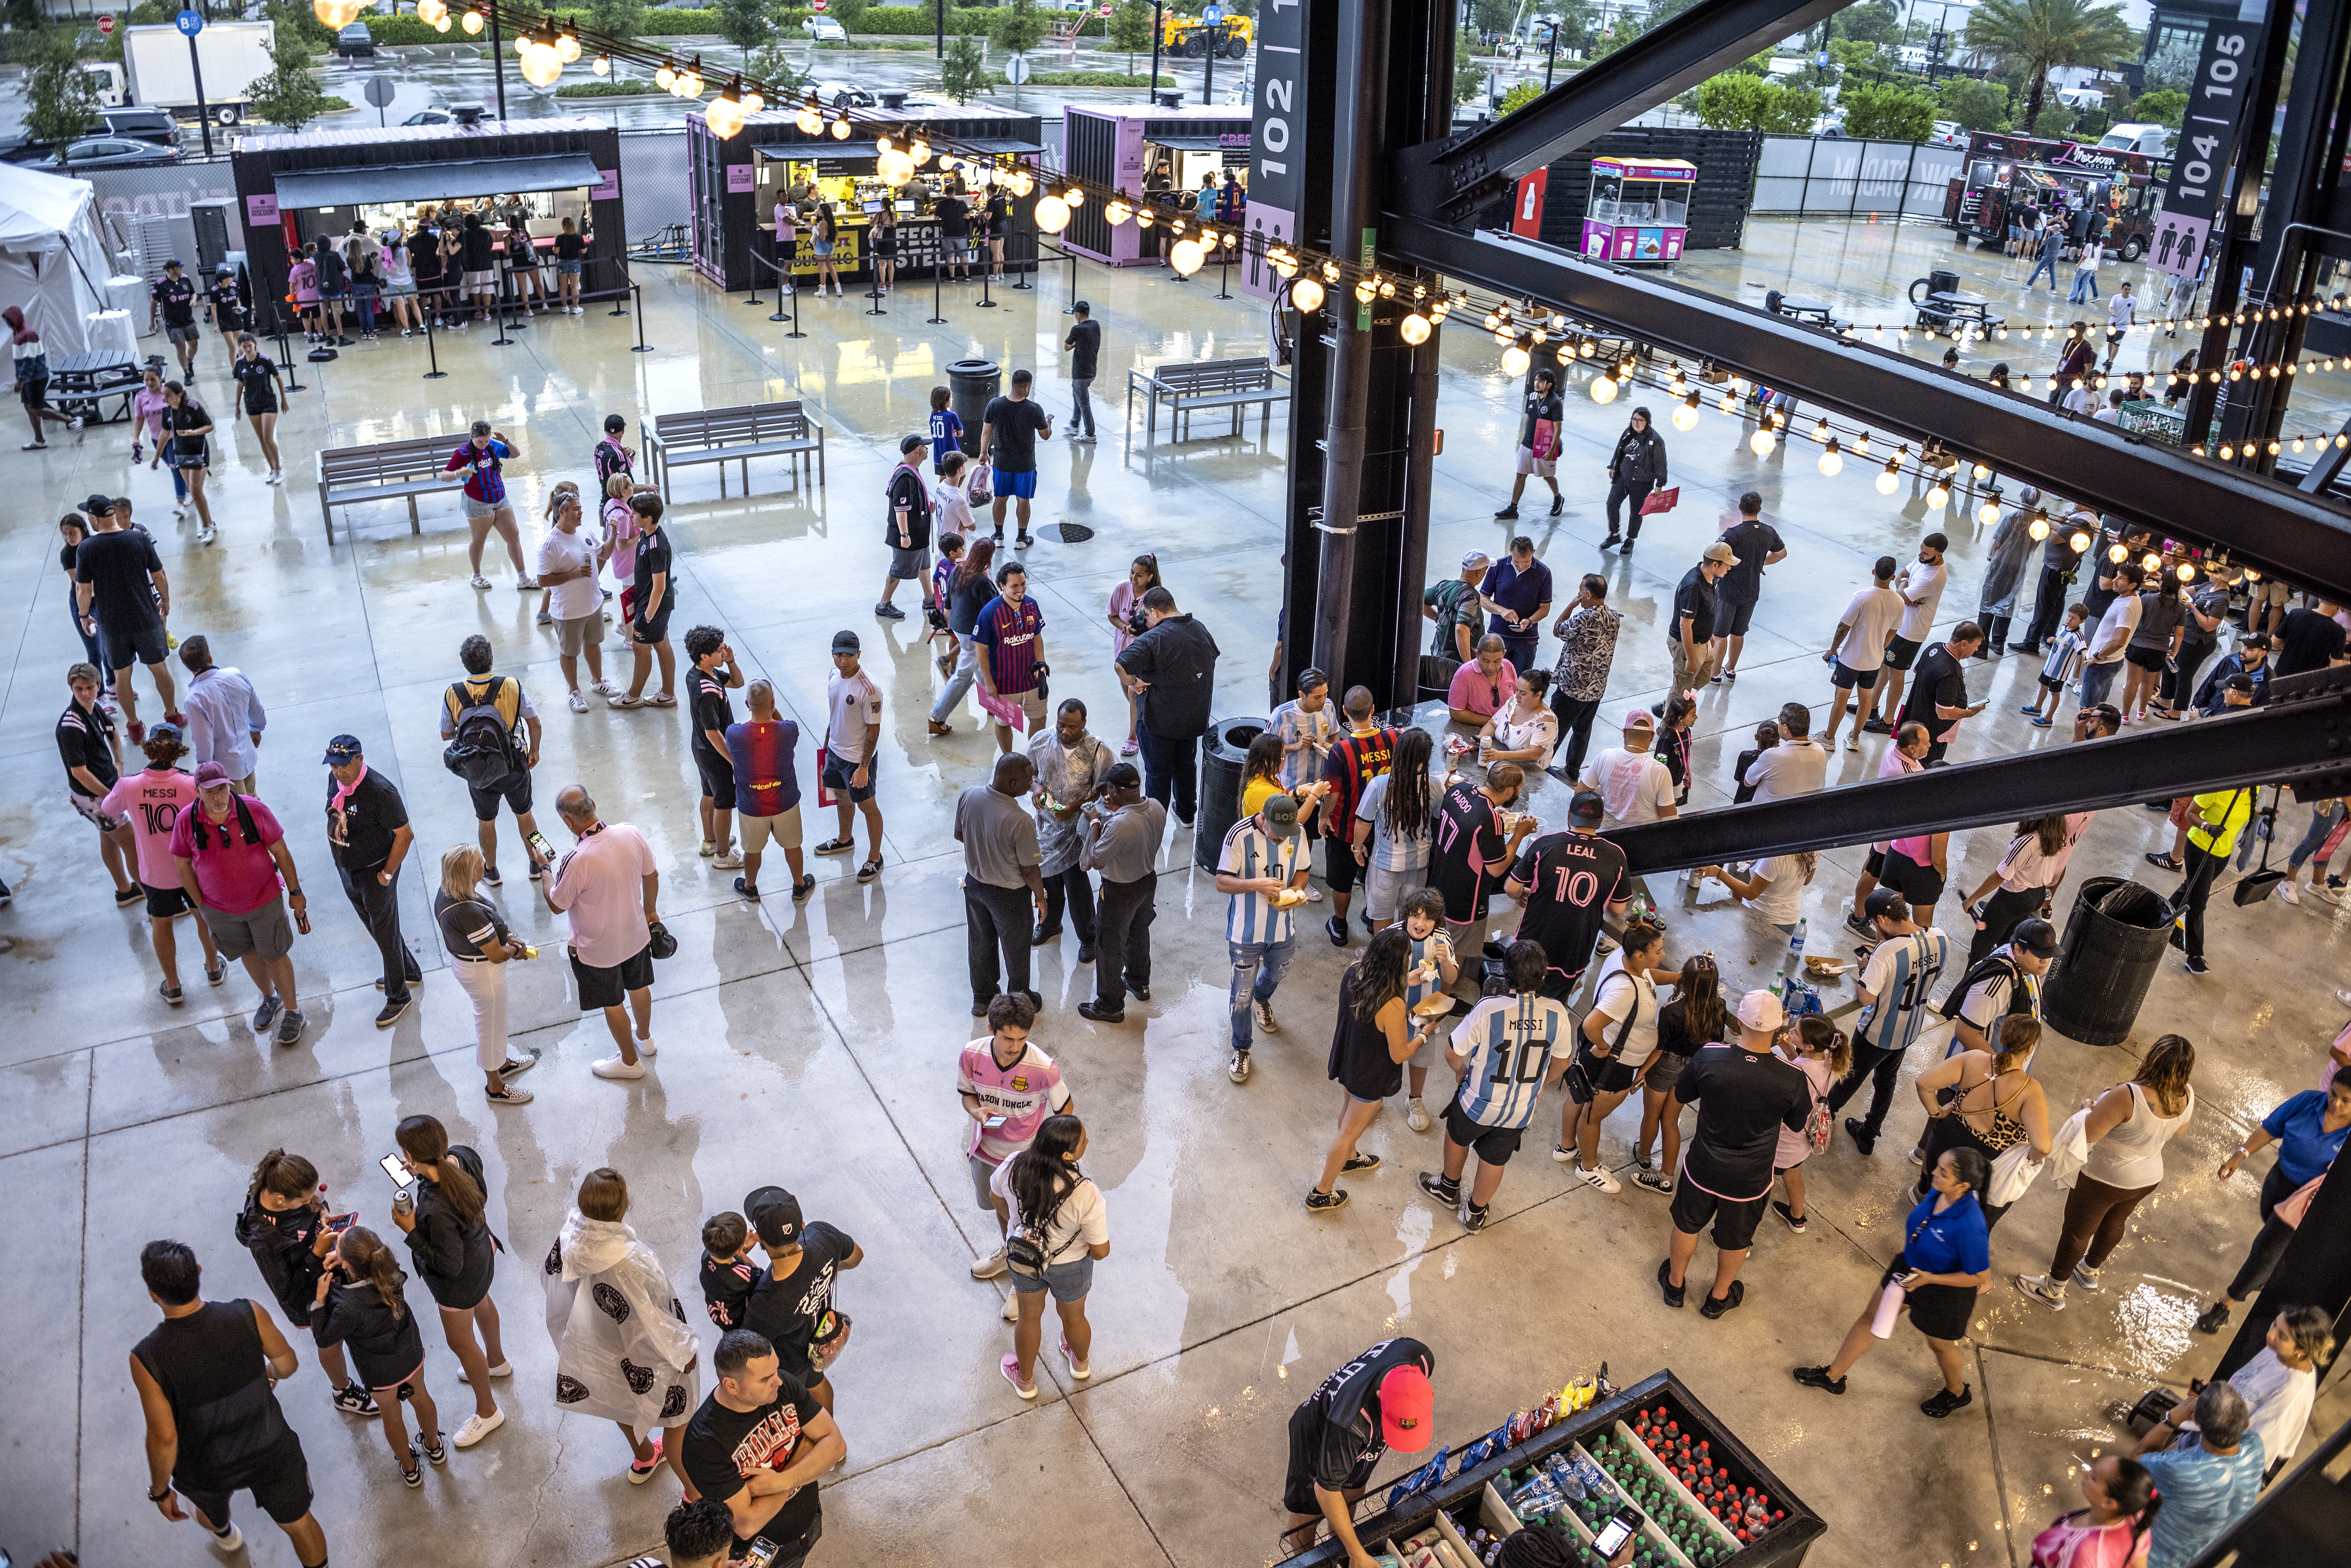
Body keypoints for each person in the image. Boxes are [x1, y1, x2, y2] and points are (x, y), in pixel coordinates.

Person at [132, 1240, 330, 1566]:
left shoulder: (147, 1357)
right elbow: (288, 1365)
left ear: (154, 1294)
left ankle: (225, 1534)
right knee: (299, 1524)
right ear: (197, 1272)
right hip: (270, 1445)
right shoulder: (248, 1313)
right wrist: (268, 1373)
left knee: (207, 1510)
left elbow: (164, 1436)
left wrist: (161, 1490)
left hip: (205, 1464)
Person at [1791, 1147, 1993, 1416]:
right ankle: (1833, 1376)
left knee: (1940, 1345)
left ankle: (1957, 1392)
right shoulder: (1939, 1192)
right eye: (1938, 1166)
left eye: (1943, 1172)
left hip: (1944, 1292)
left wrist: (1930, 1278)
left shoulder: (1971, 1224)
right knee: (1872, 1318)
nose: (1933, 1172)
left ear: (1963, 1186)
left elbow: (1980, 1277)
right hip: (1908, 1269)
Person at [545, 1166, 702, 1491]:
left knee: (620, 1397)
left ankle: (645, 1455)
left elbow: (553, 1287)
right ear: (624, 1205)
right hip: (647, 1349)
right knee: (678, 1420)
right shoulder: (633, 1261)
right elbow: (654, 1317)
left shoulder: (568, 1237)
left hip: (599, 1343)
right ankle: (694, 1492)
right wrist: (681, 1352)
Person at [1658, 990, 1813, 1318]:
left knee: (1687, 1225)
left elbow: (1683, 1092)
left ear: (1739, 1022)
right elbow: (1797, 1124)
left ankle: (1675, 1285)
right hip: (1751, 1178)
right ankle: (1718, 1297)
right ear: (1779, 1029)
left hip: (1703, 1165)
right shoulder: (1792, 1077)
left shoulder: (1709, 1056)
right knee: (1735, 1240)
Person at [2015, 1034, 2198, 1308]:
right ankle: (2089, 1271)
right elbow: (2180, 1129)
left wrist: (2091, 1107)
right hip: (2148, 1177)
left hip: (2106, 1177)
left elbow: (2090, 1132)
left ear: (2154, 1058)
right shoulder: (2187, 1094)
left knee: (2077, 1232)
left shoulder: (2128, 1095)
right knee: (2115, 1222)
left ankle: (2053, 1290)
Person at [1417, 940, 1575, 1230]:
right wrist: (1538, 1087)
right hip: (1519, 1111)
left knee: (1457, 1135)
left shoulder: (1489, 1008)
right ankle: (1476, 1212)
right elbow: (1562, 1064)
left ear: (1504, 974)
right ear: (1543, 977)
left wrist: (1461, 1072)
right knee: (1495, 1159)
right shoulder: (1558, 1013)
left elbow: (1453, 1052)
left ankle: (1448, 1189)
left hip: (1478, 1102)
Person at [2192, 1069, 2351, 1337]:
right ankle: (2268, 1275)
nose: (2336, 1104)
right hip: (2279, 1181)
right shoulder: (2308, 1101)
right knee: (2272, 1238)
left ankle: (2226, 1304)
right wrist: (2240, 1155)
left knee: (2266, 1249)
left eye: (2347, 1101)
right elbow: (2271, 1128)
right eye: (2334, 1094)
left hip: (2310, 1202)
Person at [680, 1329, 846, 1565]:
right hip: (760, 1552)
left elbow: (836, 1444)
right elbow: (746, 1524)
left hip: (810, 1520)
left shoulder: (782, 1386)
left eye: (776, 1370)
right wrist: (809, 1449)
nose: (778, 1380)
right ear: (732, 1385)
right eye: (765, 1379)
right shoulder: (705, 1444)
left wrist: (781, 1481)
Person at [173, 762, 309, 1046]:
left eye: (222, 788)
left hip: (264, 901)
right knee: (248, 952)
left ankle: (294, 1012)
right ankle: (270, 999)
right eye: (210, 791)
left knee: (274, 954)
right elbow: (183, 863)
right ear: (197, 791)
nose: (218, 796)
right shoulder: (187, 820)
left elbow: (280, 850)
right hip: (220, 910)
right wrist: (201, 904)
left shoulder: (253, 810)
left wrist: (295, 891)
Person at [234, 1151, 380, 1418]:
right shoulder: (263, 1241)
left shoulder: (280, 1185)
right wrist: (316, 1253)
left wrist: (322, 1213)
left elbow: (315, 1201)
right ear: (281, 1199)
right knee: (331, 1341)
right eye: (303, 1199)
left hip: (328, 1270)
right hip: (309, 1294)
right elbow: (286, 1290)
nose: (309, 1201)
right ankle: (343, 1392)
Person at [390, 1116, 505, 1448]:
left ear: (410, 1155)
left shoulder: (433, 1208)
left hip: (459, 1282)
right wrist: (419, 1171)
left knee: (462, 1343)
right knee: (483, 1302)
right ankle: (495, 1360)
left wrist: (411, 1229)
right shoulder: (462, 1155)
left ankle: (488, 1410)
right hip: (483, 1252)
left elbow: (448, 1265)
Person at [534, 784, 661, 1081]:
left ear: (568, 821)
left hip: (597, 949)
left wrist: (544, 868)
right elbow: (652, 875)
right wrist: (649, 912)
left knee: (612, 1002)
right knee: (639, 986)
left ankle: (629, 1063)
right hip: (636, 934)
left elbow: (556, 904)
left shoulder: (577, 859)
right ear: (592, 803)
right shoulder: (630, 833)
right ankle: (645, 1039)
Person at [1312, 928, 1443, 1212]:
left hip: (1347, 1058)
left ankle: (1349, 1158)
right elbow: (1399, 1054)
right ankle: (1322, 1191)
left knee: (1347, 1112)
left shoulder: (1354, 970)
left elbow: (1379, 982)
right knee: (1348, 1131)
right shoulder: (1393, 1004)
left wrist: (1410, 981)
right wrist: (1424, 1033)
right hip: (1369, 1074)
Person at [1278, 1339, 1436, 1566]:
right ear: (1381, 1396)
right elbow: (1325, 1491)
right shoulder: (1349, 1421)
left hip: (1362, 1430)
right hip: (1316, 1435)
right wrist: (1358, 1554)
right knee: (1309, 1511)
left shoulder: (1420, 1356)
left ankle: (1340, 1544)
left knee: (1353, 1490)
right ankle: (1307, 1561)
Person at [960, 993, 1078, 1293]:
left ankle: (1023, 1281)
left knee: (1026, 1220)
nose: (1015, 1047)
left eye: (1022, 1039)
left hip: (1024, 1160)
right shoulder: (972, 1055)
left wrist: (1047, 1154)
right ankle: (1008, 1254)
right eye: (1007, 1039)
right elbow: (967, 1094)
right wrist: (977, 1111)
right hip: (986, 1153)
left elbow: (1065, 1109)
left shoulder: (1044, 1068)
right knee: (1002, 1211)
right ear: (991, 1029)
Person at [313, 1224, 444, 1486]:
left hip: (379, 1370)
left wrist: (319, 1301)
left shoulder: (346, 1305)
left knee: (391, 1415)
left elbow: (325, 1337)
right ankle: (434, 1447)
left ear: (347, 1265)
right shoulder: (391, 1271)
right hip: (409, 1353)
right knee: (422, 1398)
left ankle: (410, 1469)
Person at [103, 725, 225, 1001]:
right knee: (202, 917)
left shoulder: (129, 785)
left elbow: (109, 810)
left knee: (161, 924)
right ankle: (214, 968)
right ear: (178, 753)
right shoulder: (191, 784)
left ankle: (173, 986)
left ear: (150, 748)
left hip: (155, 874)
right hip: (193, 870)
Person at [995, 1113, 1111, 1395]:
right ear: (1067, 1154)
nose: (1088, 1140)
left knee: (1029, 1318)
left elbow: (996, 1198)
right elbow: (1101, 1251)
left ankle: (1024, 1381)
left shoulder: (1013, 1166)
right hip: (1071, 1266)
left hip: (1024, 1260)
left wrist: (1011, 1232)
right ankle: (1080, 1364)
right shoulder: (1085, 1193)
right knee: (1074, 1319)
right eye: (1083, 1140)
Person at [1557, 919, 1671, 1193]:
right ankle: (1588, 1167)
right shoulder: (1624, 991)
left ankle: (1566, 1147)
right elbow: (1591, 1024)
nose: (1664, 955)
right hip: (1613, 1064)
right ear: (1641, 955)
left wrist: (1680, 977)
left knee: (1580, 1097)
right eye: (1659, 952)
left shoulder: (1623, 959)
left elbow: (1651, 976)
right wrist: (1605, 1047)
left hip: (1597, 1058)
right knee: (1593, 1116)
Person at [1830, 892, 1949, 1155]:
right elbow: (1935, 976)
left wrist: (1865, 968)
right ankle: (1869, 1134)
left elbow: (1866, 997)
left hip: (1878, 1031)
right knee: (1886, 1081)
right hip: (1909, 1028)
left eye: (1874, 923)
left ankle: (1823, 1117)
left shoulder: (1886, 953)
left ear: (1882, 919)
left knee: (1849, 1077)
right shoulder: (1941, 937)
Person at [320, 734, 421, 1027]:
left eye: (344, 766)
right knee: (379, 927)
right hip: (349, 869)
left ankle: (398, 996)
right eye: (334, 766)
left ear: (360, 760)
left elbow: (405, 836)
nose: (338, 772)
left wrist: (386, 875)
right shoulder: (335, 781)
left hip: (376, 871)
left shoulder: (380, 792)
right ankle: (408, 971)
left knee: (385, 933)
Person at [734, 1186, 862, 1416]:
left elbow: (743, 1355)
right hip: (817, 1342)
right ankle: (831, 1439)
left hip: (789, 1366)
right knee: (818, 1386)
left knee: (801, 1411)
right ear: (802, 1225)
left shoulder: (766, 1302)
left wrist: (740, 1257)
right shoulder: (821, 1235)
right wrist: (830, 1269)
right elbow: (855, 1257)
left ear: (761, 1239)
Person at [1216, 790, 1312, 1083]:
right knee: (1240, 996)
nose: (1283, 839)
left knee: (1277, 973)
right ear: (1264, 818)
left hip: (1284, 930)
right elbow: (1221, 882)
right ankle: (1242, 1048)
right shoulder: (1239, 836)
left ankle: (1264, 997)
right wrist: (1255, 884)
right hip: (1245, 935)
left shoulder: (1298, 833)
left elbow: (1304, 871)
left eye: (1287, 833)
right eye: (1277, 832)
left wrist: (1295, 893)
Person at [433, 843, 539, 1105]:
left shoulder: (450, 892)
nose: (485, 864)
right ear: (469, 873)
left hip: (473, 967)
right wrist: (515, 950)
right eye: (480, 862)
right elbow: (495, 954)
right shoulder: (467, 911)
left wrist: (509, 937)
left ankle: (502, 1063)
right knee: (490, 1027)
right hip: (483, 973)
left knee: (495, 1021)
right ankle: (496, 1087)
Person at [1506, 788, 1630, 1004]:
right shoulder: (1615, 855)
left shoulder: (1545, 844)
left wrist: (1524, 893)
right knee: (1554, 1004)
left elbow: (1510, 888)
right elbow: (1619, 909)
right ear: (1601, 820)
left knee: (1518, 997)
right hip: (1574, 949)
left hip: (1533, 940)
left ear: (1568, 815)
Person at [441, 634, 543, 885]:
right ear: (491, 660)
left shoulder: (453, 693)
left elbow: (446, 734)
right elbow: (534, 722)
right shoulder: (512, 685)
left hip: (478, 770)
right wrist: (535, 751)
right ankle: (542, 860)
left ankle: (491, 870)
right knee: (526, 814)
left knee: (486, 821)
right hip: (514, 765)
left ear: (466, 665)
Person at [75, 496, 178, 740]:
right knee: (159, 668)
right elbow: (159, 573)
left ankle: (133, 726)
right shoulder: (138, 538)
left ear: (93, 518)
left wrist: (84, 615)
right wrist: (165, 599)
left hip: (113, 624)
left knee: (122, 674)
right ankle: (172, 714)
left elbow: (83, 588)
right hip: (146, 617)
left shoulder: (87, 548)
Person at [1117, 585, 1221, 827]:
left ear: (1154, 612)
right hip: (1193, 720)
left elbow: (1121, 665)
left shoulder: (1154, 638)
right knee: (1186, 768)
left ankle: (1156, 822)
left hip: (1158, 723)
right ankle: (1186, 815)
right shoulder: (1200, 630)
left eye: (1146, 615)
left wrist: (1134, 683)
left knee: (1157, 774)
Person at [2133, 1382, 2264, 1568]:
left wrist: (2172, 1419)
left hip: (2154, 1560)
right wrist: (2212, 1407)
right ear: (2246, 1425)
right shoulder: (2255, 1444)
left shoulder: (2183, 1469)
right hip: (2202, 1556)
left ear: (2195, 1419)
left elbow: (2137, 1462)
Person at [1076, 763, 1165, 1024]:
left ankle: (1110, 1005)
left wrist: (1095, 822)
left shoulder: (1120, 825)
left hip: (1119, 891)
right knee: (1139, 933)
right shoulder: (1156, 807)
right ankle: (1139, 982)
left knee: (1108, 946)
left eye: (1108, 789)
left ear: (1114, 791)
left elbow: (1095, 860)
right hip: (1147, 881)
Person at [1030, 698, 1114, 956]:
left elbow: (1106, 794)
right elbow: (1029, 776)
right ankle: (1050, 924)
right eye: (1061, 725)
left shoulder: (1098, 751)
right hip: (1046, 827)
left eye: (1073, 728)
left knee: (1076, 885)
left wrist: (1075, 807)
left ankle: (1088, 936)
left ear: (1084, 724)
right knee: (1049, 881)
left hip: (1076, 831)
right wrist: (1037, 789)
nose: (1066, 732)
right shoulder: (1041, 741)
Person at [59, 660, 142, 907]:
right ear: (72, 690)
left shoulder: (94, 709)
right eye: (78, 689)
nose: (85, 694)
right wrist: (113, 797)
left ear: (98, 686)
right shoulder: (71, 726)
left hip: (102, 791)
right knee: (132, 844)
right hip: (95, 796)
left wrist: (119, 764)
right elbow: (79, 773)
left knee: (109, 837)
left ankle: (125, 891)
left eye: (89, 688)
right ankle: (154, 901)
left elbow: (113, 734)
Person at [1316, 686, 1396, 944]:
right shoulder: (1395, 738)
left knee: (1342, 880)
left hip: (1346, 829)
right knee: (1377, 875)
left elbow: (1333, 794)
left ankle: (1339, 925)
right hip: (1383, 827)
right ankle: (1375, 918)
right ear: (1373, 710)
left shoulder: (1341, 750)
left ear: (1344, 713)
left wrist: (1323, 817)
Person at [725, 680, 813, 904]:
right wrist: (772, 709)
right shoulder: (789, 730)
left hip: (752, 807)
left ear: (747, 703)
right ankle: (799, 886)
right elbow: (785, 729)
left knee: (752, 851)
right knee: (793, 846)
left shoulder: (735, 734)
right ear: (773, 702)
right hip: (786, 802)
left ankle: (750, 887)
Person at [537, 488, 615, 711]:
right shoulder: (550, 544)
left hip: (592, 604)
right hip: (568, 610)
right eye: (575, 509)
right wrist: (573, 574)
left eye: (581, 508)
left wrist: (613, 535)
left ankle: (598, 681)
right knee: (570, 652)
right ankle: (574, 691)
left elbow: (603, 554)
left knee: (594, 644)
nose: (580, 513)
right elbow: (543, 580)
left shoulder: (585, 532)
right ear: (561, 512)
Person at [818, 630, 886, 882]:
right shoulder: (833, 675)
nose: (843, 661)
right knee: (841, 797)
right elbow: (835, 710)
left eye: (849, 655)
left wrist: (864, 767)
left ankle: (875, 858)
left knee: (868, 806)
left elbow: (874, 731)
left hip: (857, 760)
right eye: (838, 655)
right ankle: (844, 839)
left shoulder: (869, 689)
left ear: (859, 654)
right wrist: (828, 740)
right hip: (835, 752)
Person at [1350, 727, 1435, 932]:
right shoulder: (1434, 786)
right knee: (1409, 916)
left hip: (1385, 865)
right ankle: (1403, 952)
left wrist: (1357, 847)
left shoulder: (1379, 785)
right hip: (1419, 866)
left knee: (1382, 916)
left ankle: (1384, 957)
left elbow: (1363, 822)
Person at [2164, 787, 2254, 976]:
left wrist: (2262, 815)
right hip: (2200, 849)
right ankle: (2194, 956)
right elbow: (2190, 814)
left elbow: (2239, 814)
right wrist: (2208, 827)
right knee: (2198, 903)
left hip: (2223, 854)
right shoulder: (2220, 788)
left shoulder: (2254, 789)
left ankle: (2161, 917)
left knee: (2191, 888)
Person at [681, 626, 747, 868]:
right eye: (719, 651)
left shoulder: (700, 673)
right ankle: (723, 855)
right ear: (704, 657)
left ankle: (711, 841)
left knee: (708, 794)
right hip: (715, 753)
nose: (723, 653)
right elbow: (713, 732)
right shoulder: (707, 691)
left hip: (700, 750)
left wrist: (730, 661)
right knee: (724, 804)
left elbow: (738, 683)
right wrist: (733, 760)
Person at [1870, 535, 1950, 733]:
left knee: (1897, 674)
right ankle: (1871, 708)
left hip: (1911, 632)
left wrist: (1904, 593)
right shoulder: (1922, 559)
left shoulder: (1933, 577)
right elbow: (1900, 578)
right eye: (1921, 550)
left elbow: (1898, 598)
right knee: (1884, 666)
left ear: (1939, 554)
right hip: (1900, 625)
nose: (1920, 555)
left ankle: (1888, 722)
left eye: (1926, 553)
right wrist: (1905, 587)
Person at [1822, 555, 1903, 750]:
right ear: (1893, 577)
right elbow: (1893, 632)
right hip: (1874, 661)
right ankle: (1855, 738)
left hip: (1851, 659)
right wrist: (1879, 649)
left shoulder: (1862, 597)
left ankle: (1829, 738)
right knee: (1866, 699)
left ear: (1874, 572)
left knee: (1841, 698)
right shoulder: (1899, 602)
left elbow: (1844, 627)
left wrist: (1833, 649)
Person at [2023, 1455, 2162, 1568]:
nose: (2086, 1472)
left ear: (2109, 1503)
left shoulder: (2085, 1556)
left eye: (2094, 1477)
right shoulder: (2136, 1519)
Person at [443, 421, 535, 592]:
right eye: (480, 442)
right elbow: (444, 476)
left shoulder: (493, 446)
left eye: (486, 441)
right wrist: (459, 473)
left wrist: (506, 441)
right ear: (471, 437)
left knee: (513, 535)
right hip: (478, 502)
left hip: (500, 498)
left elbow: (515, 454)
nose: (484, 445)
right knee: (479, 540)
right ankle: (476, 576)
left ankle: (524, 578)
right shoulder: (462, 453)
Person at [1547, 574, 1619, 781]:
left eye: (1581, 592)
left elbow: (1557, 630)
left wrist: (1571, 605)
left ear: (1588, 594)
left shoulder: (1584, 618)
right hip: (1595, 688)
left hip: (1572, 687)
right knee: (1582, 731)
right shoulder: (1614, 617)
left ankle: (1541, 765)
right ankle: (1572, 772)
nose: (1579, 595)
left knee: (1555, 728)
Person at [974, 559, 1049, 752]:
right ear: (1002, 586)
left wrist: (1041, 662)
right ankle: (1008, 758)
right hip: (1004, 684)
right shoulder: (989, 613)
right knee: (1004, 723)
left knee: (1039, 719)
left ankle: (1033, 757)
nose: (1020, 589)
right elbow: (981, 649)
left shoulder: (1032, 605)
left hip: (1032, 680)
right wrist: (989, 683)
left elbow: (1037, 637)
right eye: (1014, 586)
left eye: (1023, 584)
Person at [1710, 492, 1786, 681]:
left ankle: (1715, 673)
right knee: (1739, 632)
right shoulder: (1769, 531)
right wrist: (1760, 563)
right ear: (1760, 509)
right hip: (1752, 589)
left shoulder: (1733, 534)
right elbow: (1781, 553)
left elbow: (1716, 555)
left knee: (1720, 634)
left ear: (1740, 507)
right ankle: (1731, 669)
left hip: (1729, 589)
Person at [178, 634, 266, 792]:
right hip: (249, 755)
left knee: (238, 811)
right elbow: (256, 709)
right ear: (209, 658)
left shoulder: (194, 700)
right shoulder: (236, 674)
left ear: (188, 667)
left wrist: (204, 773)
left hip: (225, 771)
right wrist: (256, 730)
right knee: (253, 800)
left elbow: (204, 744)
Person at [928, 534, 997, 736]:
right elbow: (993, 612)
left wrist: (947, 624)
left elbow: (948, 601)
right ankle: (937, 717)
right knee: (963, 675)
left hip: (958, 628)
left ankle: (992, 704)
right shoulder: (982, 581)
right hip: (973, 634)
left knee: (978, 665)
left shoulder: (958, 569)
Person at [978, 368, 1054, 547]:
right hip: (1025, 465)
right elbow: (1045, 435)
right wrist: (1048, 424)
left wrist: (983, 453)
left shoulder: (995, 405)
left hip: (1002, 463)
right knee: (1023, 500)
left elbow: (986, 431)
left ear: (1013, 384)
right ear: (1027, 387)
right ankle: (1021, 538)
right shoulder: (1034, 409)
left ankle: (998, 537)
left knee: (1000, 498)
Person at [1895, 622, 1988, 766]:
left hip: (1913, 720)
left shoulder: (1934, 647)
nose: (1976, 650)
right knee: (1923, 770)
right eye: (1975, 646)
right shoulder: (1950, 672)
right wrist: (1969, 713)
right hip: (1930, 735)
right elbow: (1944, 713)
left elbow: (1919, 675)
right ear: (1964, 644)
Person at [874, 433, 934, 621]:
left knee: (924, 566)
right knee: (898, 570)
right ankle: (884, 604)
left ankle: (930, 598)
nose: (927, 449)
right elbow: (900, 509)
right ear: (917, 451)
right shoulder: (906, 478)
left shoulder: (907, 470)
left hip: (918, 534)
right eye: (924, 447)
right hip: (909, 535)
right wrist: (905, 534)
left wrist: (925, 501)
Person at [1104, 552, 1160, 754]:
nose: (1134, 579)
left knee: (1134, 693)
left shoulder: (1155, 596)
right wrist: (1126, 628)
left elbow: (1160, 625)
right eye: (1132, 572)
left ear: (1150, 577)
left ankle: (1134, 737)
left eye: (1139, 575)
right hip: (1123, 650)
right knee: (1130, 692)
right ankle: (1145, 723)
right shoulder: (1121, 588)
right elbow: (1112, 615)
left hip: (1143, 652)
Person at [1583, 708, 1676, 827]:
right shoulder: (1660, 771)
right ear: (1653, 736)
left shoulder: (1605, 756)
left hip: (1606, 831)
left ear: (1625, 733)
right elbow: (1669, 817)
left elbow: (1581, 793)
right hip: (1642, 834)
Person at [9, 304, 82, 448]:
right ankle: (39, 440)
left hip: (35, 377)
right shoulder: (19, 333)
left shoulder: (27, 334)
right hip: (28, 378)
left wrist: (21, 380)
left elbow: (30, 360)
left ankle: (73, 421)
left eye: (9, 320)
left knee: (37, 409)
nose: (8, 323)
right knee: (29, 407)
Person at [2076, 561, 2146, 712]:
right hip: (2113, 661)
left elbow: (2120, 640)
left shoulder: (2126, 607)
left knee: (2086, 711)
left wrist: (2098, 657)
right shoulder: (2133, 599)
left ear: (2133, 585)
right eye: (2117, 576)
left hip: (2101, 665)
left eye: (2121, 579)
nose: (2114, 581)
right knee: (2098, 707)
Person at [1480, 535, 1554, 675]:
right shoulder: (1498, 567)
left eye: (1526, 562)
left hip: (1527, 641)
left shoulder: (1544, 573)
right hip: (1498, 636)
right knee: (1492, 677)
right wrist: (1502, 611)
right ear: (1510, 552)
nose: (1521, 566)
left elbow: (1545, 608)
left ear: (1533, 553)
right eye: (1517, 562)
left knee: (1521, 681)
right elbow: (1483, 598)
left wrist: (1530, 621)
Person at [1669, 543, 1733, 696]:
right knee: (1681, 690)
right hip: (1687, 644)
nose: (1729, 569)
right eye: (1727, 565)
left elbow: (1706, 612)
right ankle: (1672, 713)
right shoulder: (1694, 587)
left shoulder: (1711, 578)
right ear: (1715, 565)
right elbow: (1685, 625)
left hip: (1703, 641)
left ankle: (1680, 704)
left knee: (1704, 676)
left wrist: (1709, 635)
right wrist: (1690, 659)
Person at [1600, 406, 1668, 550]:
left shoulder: (1656, 441)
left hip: (1641, 483)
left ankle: (1630, 539)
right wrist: (1613, 466)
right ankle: (1614, 535)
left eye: (1640, 420)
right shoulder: (1628, 433)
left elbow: (1661, 463)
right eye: (1634, 419)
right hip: (1622, 478)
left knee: (1636, 513)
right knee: (1612, 504)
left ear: (1647, 422)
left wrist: (1660, 484)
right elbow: (1619, 449)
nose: (1636, 423)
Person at [2018, 602, 2092, 728]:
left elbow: (2083, 651)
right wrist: (2053, 639)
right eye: (2069, 616)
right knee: (2043, 686)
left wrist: (2088, 658)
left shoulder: (2078, 637)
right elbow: (2059, 639)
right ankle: (2037, 708)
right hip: (2049, 667)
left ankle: (2049, 718)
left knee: (2055, 694)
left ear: (2082, 621)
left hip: (2059, 672)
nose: (2069, 620)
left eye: (2074, 618)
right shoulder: (2063, 627)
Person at [227, 333, 286, 484]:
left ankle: (279, 469)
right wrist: (237, 406)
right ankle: (272, 469)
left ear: (255, 345)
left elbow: (278, 379)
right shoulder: (240, 363)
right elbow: (240, 385)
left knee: (268, 438)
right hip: (252, 404)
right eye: (244, 346)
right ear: (240, 347)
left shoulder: (265, 360)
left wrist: (283, 401)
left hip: (268, 402)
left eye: (250, 345)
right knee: (261, 440)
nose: (247, 349)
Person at [1742, 701, 1825, 802]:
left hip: (1765, 814)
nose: (1778, 725)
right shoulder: (1820, 751)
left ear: (1785, 728)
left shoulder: (1771, 756)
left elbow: (1748, 782)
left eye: (1779, 721)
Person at [1480, 670, 1558, 772]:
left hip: (1531, 773)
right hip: (1505, 765)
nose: (1517, 696)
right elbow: (1493, 724)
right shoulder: (1514, 702)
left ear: (1538, 694)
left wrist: (1499, 755)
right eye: (1517, 690)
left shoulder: (1546, 722)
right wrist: (1481, 740)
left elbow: (1534, 754)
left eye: (1523, 693)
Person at [1426, 551, 1490, 669]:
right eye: (1485, 572)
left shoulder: (1444, 586)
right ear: (1479, 572)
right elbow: (1461, 629)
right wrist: (1468, 666)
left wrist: (1437, 618)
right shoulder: (1471, 596)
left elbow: (1419, 600)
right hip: (1455, 665)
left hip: (1437, 658)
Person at [1446, 634, 1519, 726]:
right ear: (1477, 654)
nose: (1491, 667)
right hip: (1476, 728)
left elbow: (1517, 699)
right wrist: (1494, 722)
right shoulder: (1464, 674)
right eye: (1486, 661)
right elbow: (1456, 712)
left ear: (1504, 654)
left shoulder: (1509, 666)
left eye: (1497, 661)